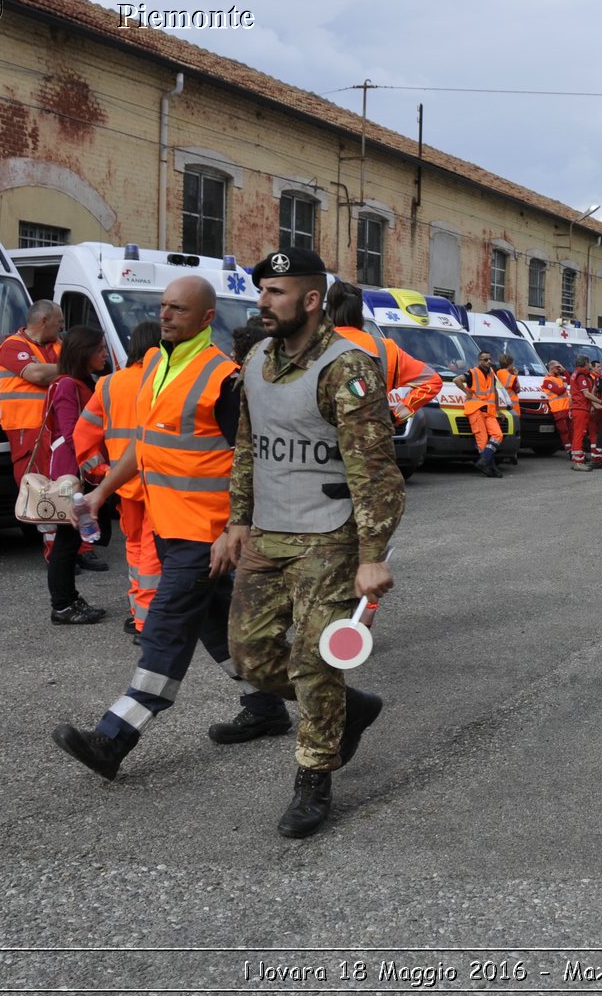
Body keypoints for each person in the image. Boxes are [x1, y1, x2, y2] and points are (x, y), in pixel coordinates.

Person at [53, 275, 291, 782]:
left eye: (178, 309)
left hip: (205, 535)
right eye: (163, 307)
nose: (165, 315)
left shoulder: (223, 378)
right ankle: (272, 707)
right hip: (167, 525)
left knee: (163, 630)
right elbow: (144, 444)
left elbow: (253, 462)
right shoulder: (159, 365)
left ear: (206, 319)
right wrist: (100, 492)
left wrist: (236, 527)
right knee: (217, 626)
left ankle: (113, 738)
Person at [218, 248, 402, 839]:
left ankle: (314, 779)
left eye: (276, 293)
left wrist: (372, 556)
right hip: (268, 533)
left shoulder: (347, 368)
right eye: (262, 292)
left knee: (315, 658)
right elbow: (249, 446)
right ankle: (354, 707)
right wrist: (237, 519)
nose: (262, 303)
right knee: (248, 655)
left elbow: (376, 471)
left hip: (330, 535)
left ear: (312, 299)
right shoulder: (256, 360)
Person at [0, 300, 105, 572]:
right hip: (28, 429)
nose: (62, 327)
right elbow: (35, 373)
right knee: (43, 491)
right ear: (43, 321)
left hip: (58, 429)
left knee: (71, 487)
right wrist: (73, 366)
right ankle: (55, 552)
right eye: (58, 322)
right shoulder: (13, 345)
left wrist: (63, 367)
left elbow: (52, 374)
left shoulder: (57, 346)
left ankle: (81, 548)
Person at [74, 320, 163, 637]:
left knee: (136, 549)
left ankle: (138, 613)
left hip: (123, 484)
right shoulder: (164, 382)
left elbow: (82, 435)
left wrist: (103, 474)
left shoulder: (109, 384)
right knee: (153, 553)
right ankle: (147, 620)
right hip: (159, 481)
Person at [42, 326, 109, 626]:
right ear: (84, 352)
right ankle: (63, 605)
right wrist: (91, 468)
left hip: (78, 468)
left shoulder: (81, 382)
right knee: (67, 540)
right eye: (100, 349)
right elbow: (72, 434)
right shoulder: (68, 385)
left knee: (70, 539)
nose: (105, 353)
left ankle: (68, 600)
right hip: (72, 471)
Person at [326, 281, 443, 428]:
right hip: (371, 439)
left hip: (321, 440)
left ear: (329, 309)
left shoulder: (313, 344)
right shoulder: (385, 348)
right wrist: (396, 415)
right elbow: (432, 381)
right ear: (359, 311)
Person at [452, 350, 507, 477]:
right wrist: (466, 391)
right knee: (482, 441)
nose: (488, 362)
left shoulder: (492, 374)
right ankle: (490, 467)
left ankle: (484, 462)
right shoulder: (473, 373)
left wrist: (498, 409)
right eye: (485, 360)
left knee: (497, 435)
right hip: (476, 410)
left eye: (489, 359)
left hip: (489, 411)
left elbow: (495, 392)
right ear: (479, 361)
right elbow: (456, 380)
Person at [566, 354, 597, 471]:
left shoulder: (576, 374)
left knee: (577, 435)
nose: (589, 365)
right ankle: (578, 462)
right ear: (585, 363)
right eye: (588, 363)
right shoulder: (581, 375)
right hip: (580, 408)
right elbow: (586, 394)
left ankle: (576, 460)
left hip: (578, 408)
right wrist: (601, 402)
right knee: (579, 435)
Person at [541, 360, 574, 460]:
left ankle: (574, 450)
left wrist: (564, 370)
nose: (558, 369)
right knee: (564, 431)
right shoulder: (547, 380)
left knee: (571, 430)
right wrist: (564, 385)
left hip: (566, 408)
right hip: (558, 409)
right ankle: (569, 450)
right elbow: (559, 391)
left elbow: (570, 380)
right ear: (551, 368)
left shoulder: (560, 377)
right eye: (557, 367)